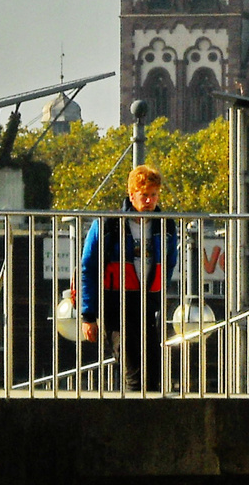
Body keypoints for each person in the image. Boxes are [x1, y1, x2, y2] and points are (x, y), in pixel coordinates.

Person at [80, 164, 178, 392]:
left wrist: (160, 290)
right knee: (132, 371)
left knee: (153, 371)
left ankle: (149, 418)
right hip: (117, 305)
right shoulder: (108, 225)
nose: (149, 201)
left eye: (154, 195)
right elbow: (89, 267)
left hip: (148, 304)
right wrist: (88, 315)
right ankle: (135, 419)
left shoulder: (166, 225)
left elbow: (170, 261)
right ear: (132, 194)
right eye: (144, 195)